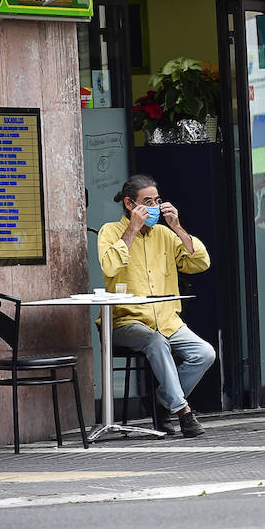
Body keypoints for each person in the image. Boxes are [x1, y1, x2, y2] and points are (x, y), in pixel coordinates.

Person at [98, 174, 215, 438]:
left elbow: (200, 263)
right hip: (126, 321)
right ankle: (183, 411)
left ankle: (162, 401)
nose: (154, 207)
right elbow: (109, 266)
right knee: (155, 341)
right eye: (146, 202)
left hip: (167, 320)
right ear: (129, 204)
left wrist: (178, 227)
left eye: (157, 201)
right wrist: (133, 229)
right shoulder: (110, 231)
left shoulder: (164, 234)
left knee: (205, 353)